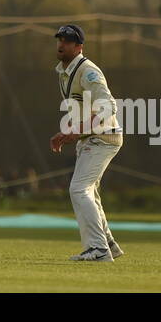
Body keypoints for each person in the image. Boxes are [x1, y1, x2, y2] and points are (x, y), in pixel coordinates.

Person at [49, 24, 124, 262]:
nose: (62, 44)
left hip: (103, 138)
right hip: (90, 137)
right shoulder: (63, 71)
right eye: (60, 39)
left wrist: (78, 131)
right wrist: (67, 133)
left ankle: (98, 249)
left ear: (79, 46)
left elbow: (108, 105)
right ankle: (108, 245)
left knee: (78, 189)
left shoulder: (88, 70)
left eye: (68, 41)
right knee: (90, 193)